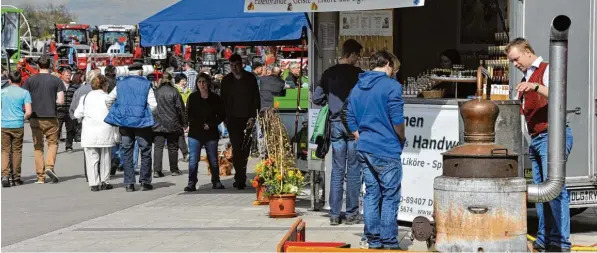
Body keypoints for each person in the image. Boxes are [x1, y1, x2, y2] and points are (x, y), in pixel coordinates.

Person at [505, 38, 574, 252]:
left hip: (552, 135)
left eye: (516, 59)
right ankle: (544, 240)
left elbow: (557, 95)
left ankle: (561, 244)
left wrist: (534, 86)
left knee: (555, 190)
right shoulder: (526, 77)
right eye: (512, 62)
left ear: (527, 52)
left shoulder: (546, 69)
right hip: (536, 140)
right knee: (540, 193)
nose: (515, 64)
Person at [345, 50, 405, 250]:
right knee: (390, 195)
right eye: (393, 69)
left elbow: (349, 115)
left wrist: (358, 135)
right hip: (386, 147)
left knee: (371, 194)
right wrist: (401, 137)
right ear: (387, 63)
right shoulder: (392, 86)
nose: (393, 73)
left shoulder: (357, 87)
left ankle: (373, 240)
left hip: (364, 147)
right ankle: (389, 240)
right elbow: (397, 120)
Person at [313, 39, 364, 225]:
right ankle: (351, 214)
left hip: (335, 124)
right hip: (354, 126)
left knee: (337, 170)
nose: (358, 60)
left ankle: (334, 214)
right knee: (353, 170)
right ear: (351, 55)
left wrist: (331, 99)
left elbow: (316, 98)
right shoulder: (359, 75)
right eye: (357, 56)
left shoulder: (329, 73)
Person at [105, 63, 157, 192]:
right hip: (142, 124)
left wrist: (116, 112)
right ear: (140, 72)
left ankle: (129, 183)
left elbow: (108, 100)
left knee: (126, 151)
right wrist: (144, 114)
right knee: (145, 151)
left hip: (125, 123)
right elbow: (154, 105)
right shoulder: (146, 84)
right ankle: (145, 182)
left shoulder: (120, 84)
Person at [22, 55, 65, 184]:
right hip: (51, 116)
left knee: (38, 146)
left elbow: (24, 99)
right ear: (50, 66)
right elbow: (61, 101)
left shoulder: (30, 81)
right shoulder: (56, 81)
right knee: (52, 143)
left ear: (38, 66)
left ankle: (40, 177)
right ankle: (50, 166)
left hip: (35, 117)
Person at [220, 53, 261, 190]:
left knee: (245, 149)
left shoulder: (250, 79)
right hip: (232, 119)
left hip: (247, 119)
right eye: (231, 66)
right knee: (237, 148)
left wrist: (253, 117)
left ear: (241, 65)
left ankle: (241, 175)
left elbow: (256, 99)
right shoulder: (226, 80)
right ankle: (240, 178)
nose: (234, 68)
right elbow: (223, 101)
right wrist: (224, 118)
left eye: (236, 65)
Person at [74, 74, 117, 191]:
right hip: (106, 130)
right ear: (104, 85)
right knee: (106, 157)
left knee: (92, 158)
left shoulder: (85, 97)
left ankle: (94, 183)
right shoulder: (108, 98)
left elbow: (77, 114)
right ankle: (105, 181)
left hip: (89, 131)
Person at [184, 73, 226, 191]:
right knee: (193, 159)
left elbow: (222, 115)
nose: (201, 84)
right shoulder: (192, 97)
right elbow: (188, 114)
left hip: (211, 133)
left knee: (213, 159)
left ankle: (216, 181)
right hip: (195, 133)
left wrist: (211, 124)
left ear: (208, 83)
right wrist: (190, 124)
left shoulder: (215, 98)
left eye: (203, 82)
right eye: (199, 82)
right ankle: (191, 182)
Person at [152, 72, 186, 178]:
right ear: (171, 80)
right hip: (172, 123)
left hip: (158, 123)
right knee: (172, 147)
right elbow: (180, 109)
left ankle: (157, 171)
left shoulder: (155, 92)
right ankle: (174, 169)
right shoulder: (174, 91)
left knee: (158, 147)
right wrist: (184, 123)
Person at [1, 71, 32, 187]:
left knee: (5, 150)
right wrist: (22, 118)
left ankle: (5, 175)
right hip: (18, 124)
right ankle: (16, 177)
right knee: (17, 151)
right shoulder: (25, 93)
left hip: (4, 124)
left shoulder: (2, 92)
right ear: (20, 81)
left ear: (9, 81)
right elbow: (28, 111)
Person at [58, 69, 80, 152]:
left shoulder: (74, 87)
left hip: (70, 111)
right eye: (66, 75)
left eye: (69, 75)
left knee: (71, 129)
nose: (68, 77)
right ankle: (54, 146)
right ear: (62, 75)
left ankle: (69, 146)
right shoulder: (58, 86)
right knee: (57, 129)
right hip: (59, 110)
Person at [174, 74, 191, 162]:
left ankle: (185, 153)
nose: (184, 83)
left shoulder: (188, 90)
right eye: (182, 81)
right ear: (178, 82)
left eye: (185, 81)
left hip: (186, 114)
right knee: (179, 135)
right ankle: (184, 153)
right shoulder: (175, 90)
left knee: (181, 135)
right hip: (177, 115)